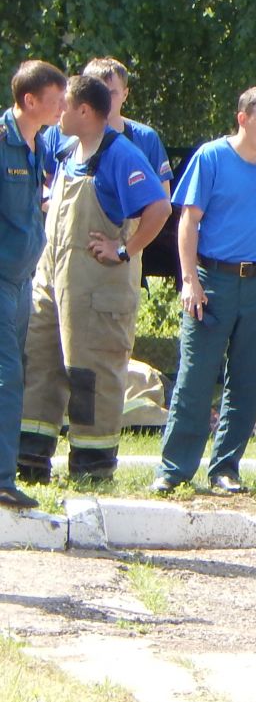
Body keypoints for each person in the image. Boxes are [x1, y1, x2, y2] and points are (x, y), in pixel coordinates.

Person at [152, 87, 256, 494]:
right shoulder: (212, 157)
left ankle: (226, 468)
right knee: (195, 377)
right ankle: (174, 470)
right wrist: (189, 280)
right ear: (243, 119)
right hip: (213, 280)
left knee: (247, 379)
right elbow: (187, 222)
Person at [17, 75, 171, 481]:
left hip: (98, 289)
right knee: (40, 363)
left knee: (90, 373)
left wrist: (123, 250)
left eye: (64, 106)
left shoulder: (120, 155)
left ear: (85, 111)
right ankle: (30, 459)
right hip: (54, 280)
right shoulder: (67, 150)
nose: (58, 113)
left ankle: (92, 467)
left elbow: (159, 208)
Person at [0, 60, 67, 510]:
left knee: (12, 372)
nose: (65, 105)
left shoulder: (38, 143)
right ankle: (3, 479)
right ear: (29, 100)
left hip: (21, 279)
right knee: (7, 377)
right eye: (57, 98)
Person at [51, 59, 171, 188]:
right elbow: (40, 186)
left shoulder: (146, 138)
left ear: (125, 94)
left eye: (111, 94)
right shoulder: (59, 132)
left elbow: (163, 197)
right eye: (96, 95)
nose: (104, 100)